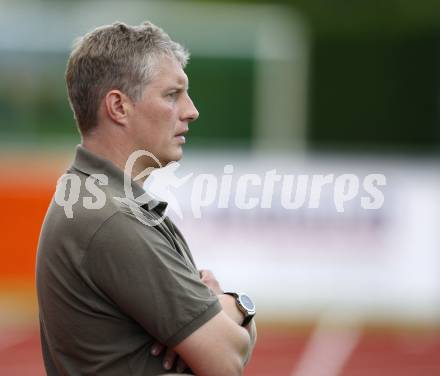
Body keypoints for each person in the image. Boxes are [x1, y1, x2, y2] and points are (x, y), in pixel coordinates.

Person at [36, 21, 257, 376]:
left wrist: (225, 313)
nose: (191, 110)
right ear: (119, 107)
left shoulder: (105, 201)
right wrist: (236, 306)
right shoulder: (109, 218)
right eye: (172, 94)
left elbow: (230, 346)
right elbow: (228, 360)